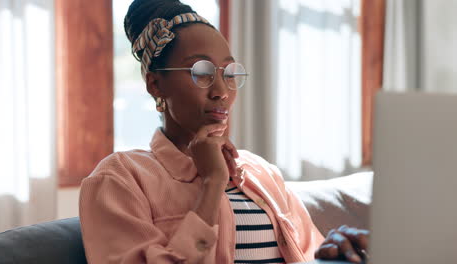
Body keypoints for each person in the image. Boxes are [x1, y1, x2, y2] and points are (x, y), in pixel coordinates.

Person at [79, 0, 369, 263]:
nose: (222, 92)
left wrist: (333, 250)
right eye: (201, 73)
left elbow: (307, 253)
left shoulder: (262, 173)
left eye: (230, 74)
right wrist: (212, 183)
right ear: (155, 84)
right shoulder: (119, 179)